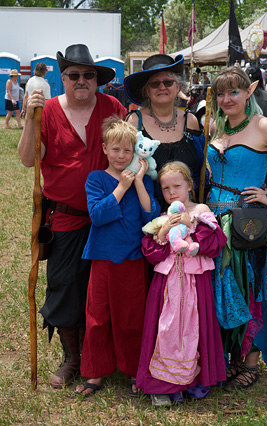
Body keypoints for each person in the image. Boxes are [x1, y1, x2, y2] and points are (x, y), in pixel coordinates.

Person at [17, 44, 127, 389]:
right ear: (62, 78)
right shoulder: (47, 110)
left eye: (88, 75)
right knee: (65, 286)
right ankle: (73, 359)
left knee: (106, 288)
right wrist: (28, 120)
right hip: (65, 216)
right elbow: (28, 159)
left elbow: (128, 146)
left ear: (98, 79)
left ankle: (107, 354)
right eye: (74, 75)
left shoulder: (112, 107)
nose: (81, 80)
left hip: (109, 214)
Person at [206, 66, 267, 390]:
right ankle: (233, 356)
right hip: (216, 223)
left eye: (234, 91)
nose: (227, 98)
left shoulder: (264, 126)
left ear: (249, 92)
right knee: (226, 286)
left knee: (252, 286)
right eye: (221, 93)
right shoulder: (218, 125)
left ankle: (250, 362)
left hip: (249, 220)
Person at [74, 117, 160, 397]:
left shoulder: (144, 181)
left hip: (132, 258)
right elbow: (97, 215)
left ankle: (134, 370)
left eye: (127, 151)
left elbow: (150, 215)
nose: (122, 156)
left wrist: (135, 182)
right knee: (97, 316)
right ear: (104, 149)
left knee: (131, 318)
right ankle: (95, 372)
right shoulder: (96, 179)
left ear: (136, 152)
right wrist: (121, 186)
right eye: (116, 150)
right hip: (102, 257)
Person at [136, 161, 227, 406]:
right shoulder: (162, 217)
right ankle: (163, 386)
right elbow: (151, 253)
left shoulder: (201, 209)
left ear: (189, 185)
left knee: (194, 327)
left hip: (196, 283)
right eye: (166, 188)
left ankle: (192, 380)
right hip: (167, 285)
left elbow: (216, 243)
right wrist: (164, 231)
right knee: (165, 330)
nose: (172, 192)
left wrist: (191, 227)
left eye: (177, 185)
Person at [124, 54, 209, 211]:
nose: (162, 87)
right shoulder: (135, 122)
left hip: (187, 214)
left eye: (168, 82)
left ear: (177, 87)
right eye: (155, 84)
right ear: (147, 91)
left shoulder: (190, 120)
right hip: (146, 213)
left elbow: (200, 168)